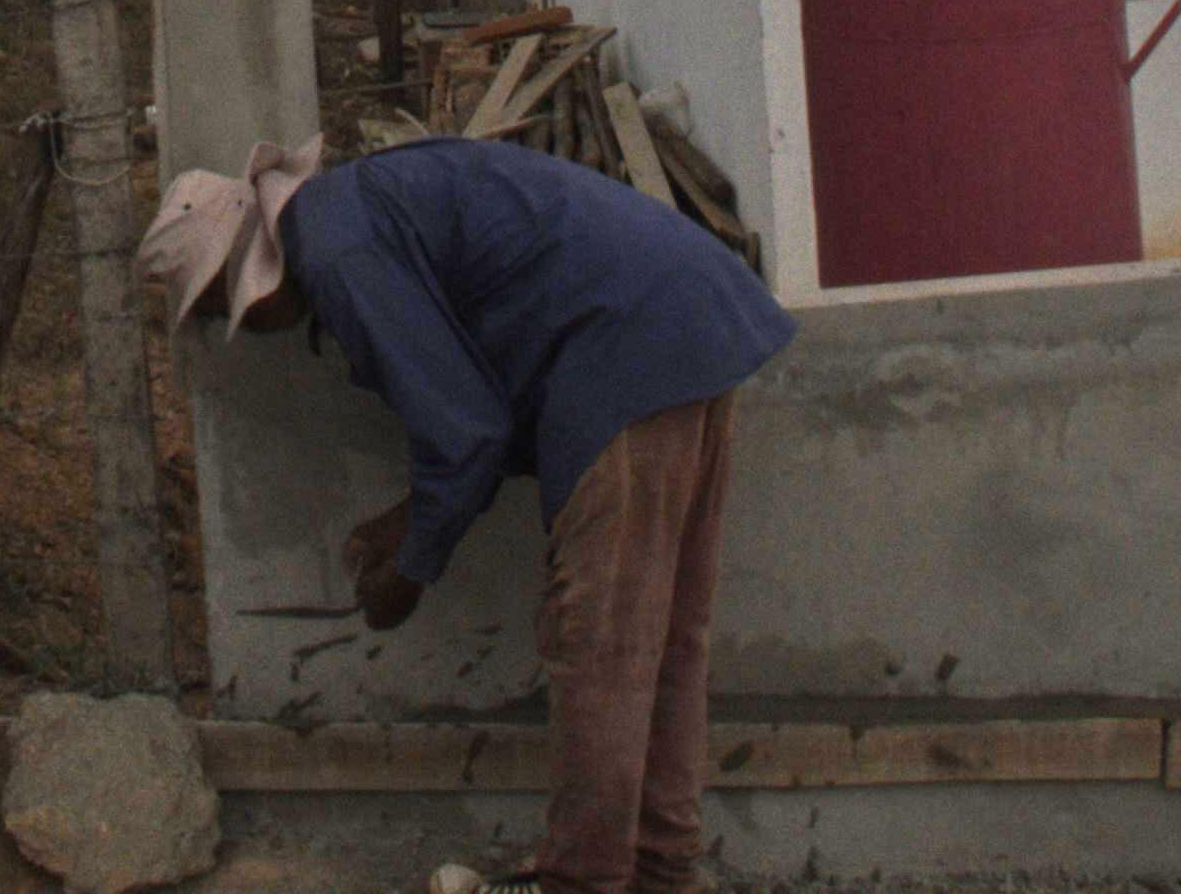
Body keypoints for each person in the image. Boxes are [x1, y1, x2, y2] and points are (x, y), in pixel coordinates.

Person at [141, 134, 795, 894]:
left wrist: (410, 569)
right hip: (688, 315)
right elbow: (471, 417)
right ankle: (660, 869)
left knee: (602, 643)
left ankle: (585, 880)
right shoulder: (354, 210)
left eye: (224, 306)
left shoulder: (338, 251)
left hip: (628, 354)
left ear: (252, 271)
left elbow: (467, 433)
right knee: (664, 640)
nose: (247, 328)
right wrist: (411, 518)